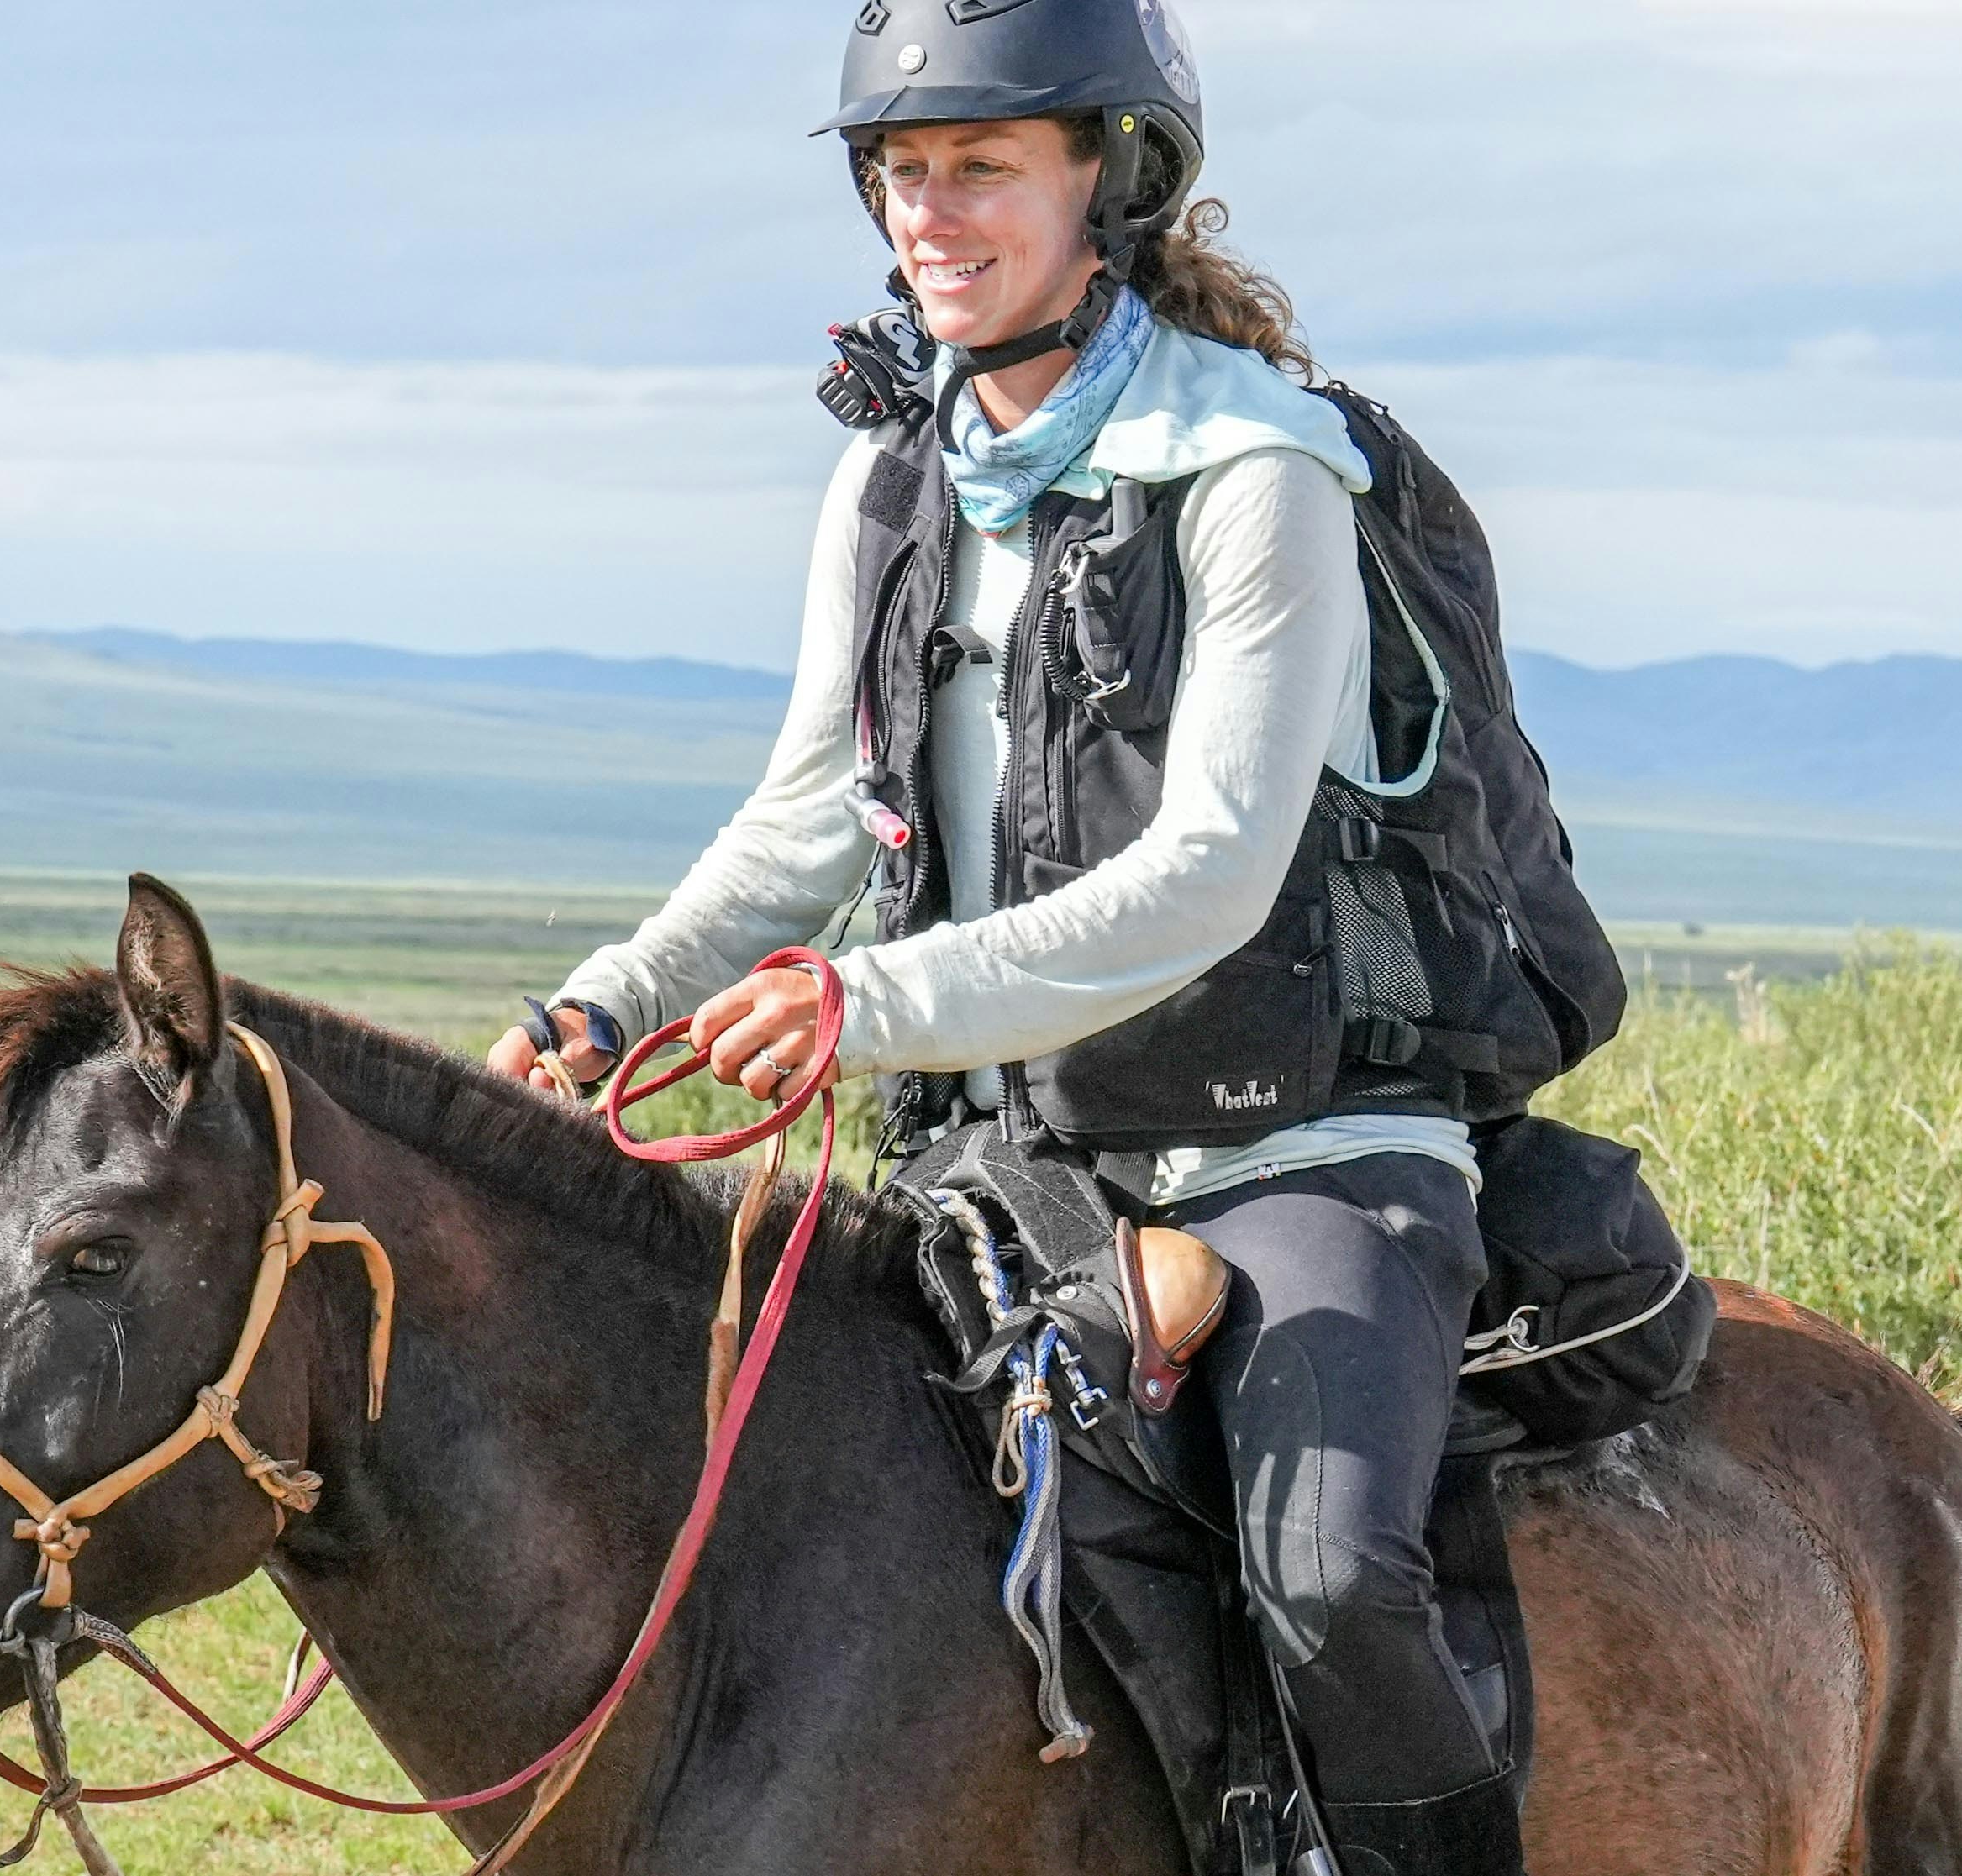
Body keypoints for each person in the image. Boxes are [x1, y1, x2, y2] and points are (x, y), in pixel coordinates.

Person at [490, 5, 1536, 1871]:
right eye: (902, 170)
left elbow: (1215, 867)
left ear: (1109, 181)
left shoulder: (1257, 473)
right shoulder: (892, 482)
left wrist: (861, 998)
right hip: (1009, 1158)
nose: (928, 211)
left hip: (1296, 1148)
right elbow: (815, 809)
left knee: (1329, 1567)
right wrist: (608, 1001)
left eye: (981, 165)